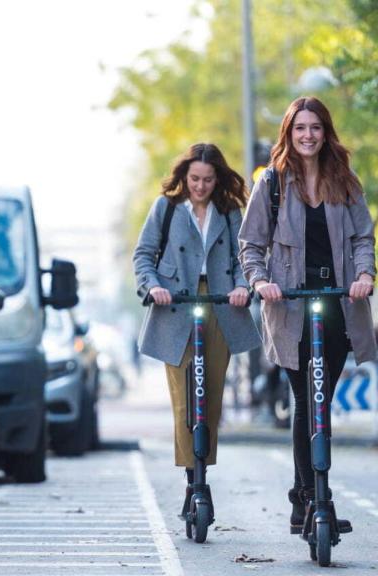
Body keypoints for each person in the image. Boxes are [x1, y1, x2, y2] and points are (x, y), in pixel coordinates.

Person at [238, 96, 376, 534]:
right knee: (306, 401)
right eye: (300, 128)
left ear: (325, 131)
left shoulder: (345, 180)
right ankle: (313, 499)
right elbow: (250, 243)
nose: (308, 135)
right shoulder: (272, 183)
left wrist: (365, 272)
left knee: (323, 400)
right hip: (291, 306)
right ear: (289, 132)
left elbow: (362, 238)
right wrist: (260, 282)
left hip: (337, 302)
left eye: (315, 127)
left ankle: (306, 495)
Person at [133, 142, 261, 519]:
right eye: (194, 179)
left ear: (217, 179)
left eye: (207, 180)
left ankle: (202, 475)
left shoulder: (229, 211)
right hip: (176, 305)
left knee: (211, 399)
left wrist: (243, 287)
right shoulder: (167, 208)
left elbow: (243, 257)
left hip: (221, 305)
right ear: (184, 177)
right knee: (185, 399)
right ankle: (194, 482)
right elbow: (143, 255)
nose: (200, 187)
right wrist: (153, 286)